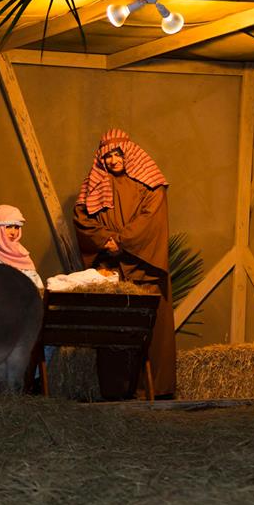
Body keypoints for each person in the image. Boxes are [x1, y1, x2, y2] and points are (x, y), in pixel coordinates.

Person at [73, 128, 176, 399]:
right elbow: (82, 218)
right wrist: (104, 240)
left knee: (153, 335)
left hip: (144, 268)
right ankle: (115, 393)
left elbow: (150, 219)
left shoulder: (150, 182)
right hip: (113, 271)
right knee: (113, 333)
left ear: (128, 153)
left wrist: (122, 241)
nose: (113, 160)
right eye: (107, 156)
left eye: (118, 153)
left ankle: (154, 391)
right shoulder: (95, 184)